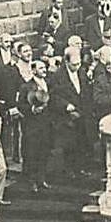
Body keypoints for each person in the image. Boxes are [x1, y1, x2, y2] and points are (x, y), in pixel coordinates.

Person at [48, 47, 91, 179]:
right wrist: (66, 105)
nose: (77, 67)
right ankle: (69, 170)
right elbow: (54, 96)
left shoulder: (82, 72)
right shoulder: (58, 76)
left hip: (82, 112)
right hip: (67, 116)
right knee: (70, 144)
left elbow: (86, 91)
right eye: (74, 64)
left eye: (79, 64)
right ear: (66, 62)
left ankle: (80, 168)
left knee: (82, 142)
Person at [18, 60, 52, 193]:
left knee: (44, 151)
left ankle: (41, 179)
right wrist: (32, 109)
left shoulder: (48, 83)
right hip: (32, 127)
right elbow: (20, 105)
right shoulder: (26, 87)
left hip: (46, 124)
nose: (44, 70)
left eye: (45, 67)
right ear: (33, 71)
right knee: (32, 153)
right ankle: (31, 181)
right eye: (41, 68)